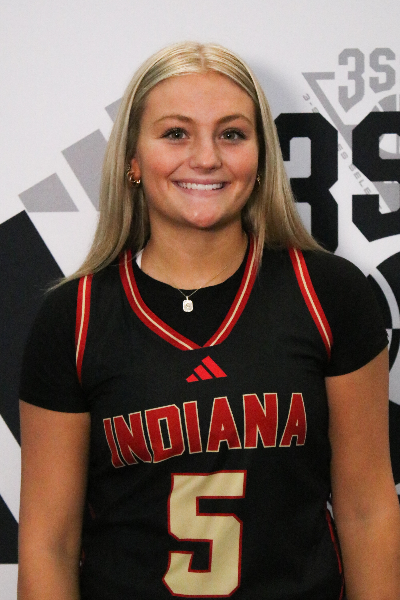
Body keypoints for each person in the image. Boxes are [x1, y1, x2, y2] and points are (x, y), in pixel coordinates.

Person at [18, 42, 400, 600]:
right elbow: (49, 544)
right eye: (176, 133)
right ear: (132, 160)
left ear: (261, 157)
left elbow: (367, 511)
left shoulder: (329, 295)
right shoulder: (73, 319)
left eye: (232, 134)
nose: (205, 158)